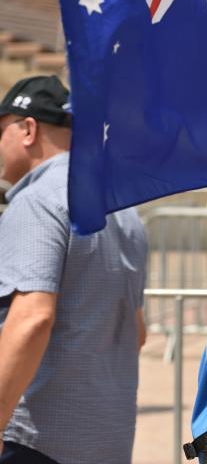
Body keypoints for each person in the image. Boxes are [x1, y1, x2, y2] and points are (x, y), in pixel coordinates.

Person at [0, 75, 148, 464]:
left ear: (28, 129)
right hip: (106, 441)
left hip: (35, 443)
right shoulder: (122, 208)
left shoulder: (36, 202)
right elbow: (137, 332)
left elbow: (32, 318)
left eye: (1, 131)